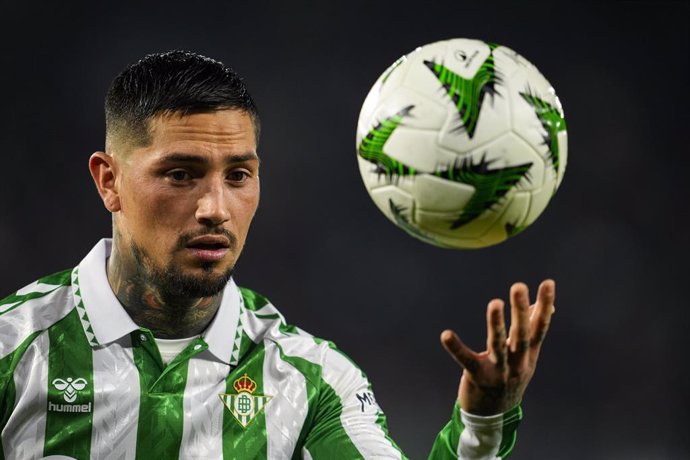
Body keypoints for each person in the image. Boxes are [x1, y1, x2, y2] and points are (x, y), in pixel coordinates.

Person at [0, 51, 555, 459]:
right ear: (109, 181)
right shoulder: (12, 353)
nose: (216, 208)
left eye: (238, 175)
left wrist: (483, 422)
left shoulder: (309, 383)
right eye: (180, 174)